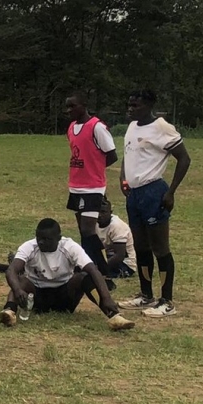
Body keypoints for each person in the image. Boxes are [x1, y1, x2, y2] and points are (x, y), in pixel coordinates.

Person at [118, 90, 191, 317]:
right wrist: (123, 178)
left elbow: (184, 158)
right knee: (140, 247)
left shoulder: (161, 128)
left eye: (136, 105)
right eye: (129, 105)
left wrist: (170, 192)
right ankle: (145, 295)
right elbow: (127, 155)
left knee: (160, 248)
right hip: (135, 195)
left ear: (149, 105)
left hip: (153, 192)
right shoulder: (132, 127)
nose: (130, 109)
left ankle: (167, 301)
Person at [0, 218, 134, 331]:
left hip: (65, 297)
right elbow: (11, 270)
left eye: (46, 239)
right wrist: (17, 290)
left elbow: (93, 270)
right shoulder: (29, 247)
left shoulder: (70, 247)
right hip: (37, 297)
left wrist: (106, 297)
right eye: (39, 238)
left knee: (82, 277)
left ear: (58, 238)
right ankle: (9, 312)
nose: (41, 242)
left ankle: (114, 316)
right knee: (20, 280)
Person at [64, 92, 119, 273]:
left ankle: (103, 271)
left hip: (93, 187)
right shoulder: (71, 127)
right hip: (76, 185)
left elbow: (111, 155)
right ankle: (87, 266)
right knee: (83, 230)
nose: (69, 110)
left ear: (84, 105)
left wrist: (94, 168)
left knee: (88, 230)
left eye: (73, 106)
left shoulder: (97, 127)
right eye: (67, 106)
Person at [97, 198, 136, 280]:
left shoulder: (117, 226)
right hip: (107, 257)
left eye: (103, 212)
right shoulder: (94, 224)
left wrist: (100, 267)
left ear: (110, 212)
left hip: (125, 263)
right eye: (97, 212)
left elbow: (119, 256)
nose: (100, 215)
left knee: (94, 276)